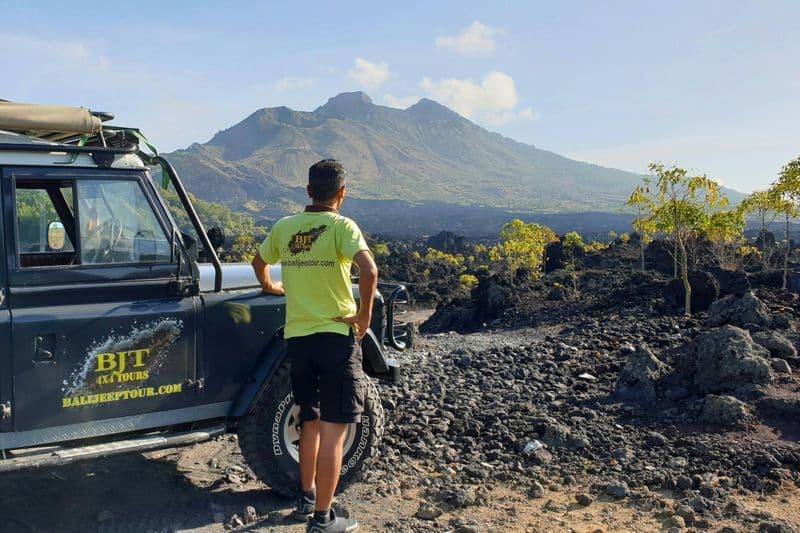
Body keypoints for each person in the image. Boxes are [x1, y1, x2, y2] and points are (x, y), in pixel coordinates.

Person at [251, 159, 377, 533]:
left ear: (308, 191)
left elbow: (259, 263)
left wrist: (272, 287)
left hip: (299, 340)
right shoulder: (341, 227)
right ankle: (324, 519)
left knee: (310, 420)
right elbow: (369, 271)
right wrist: (364, 317)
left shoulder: (285, 227)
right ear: (342, 193)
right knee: (336, 430)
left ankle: (306, 499)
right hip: (336, 340)